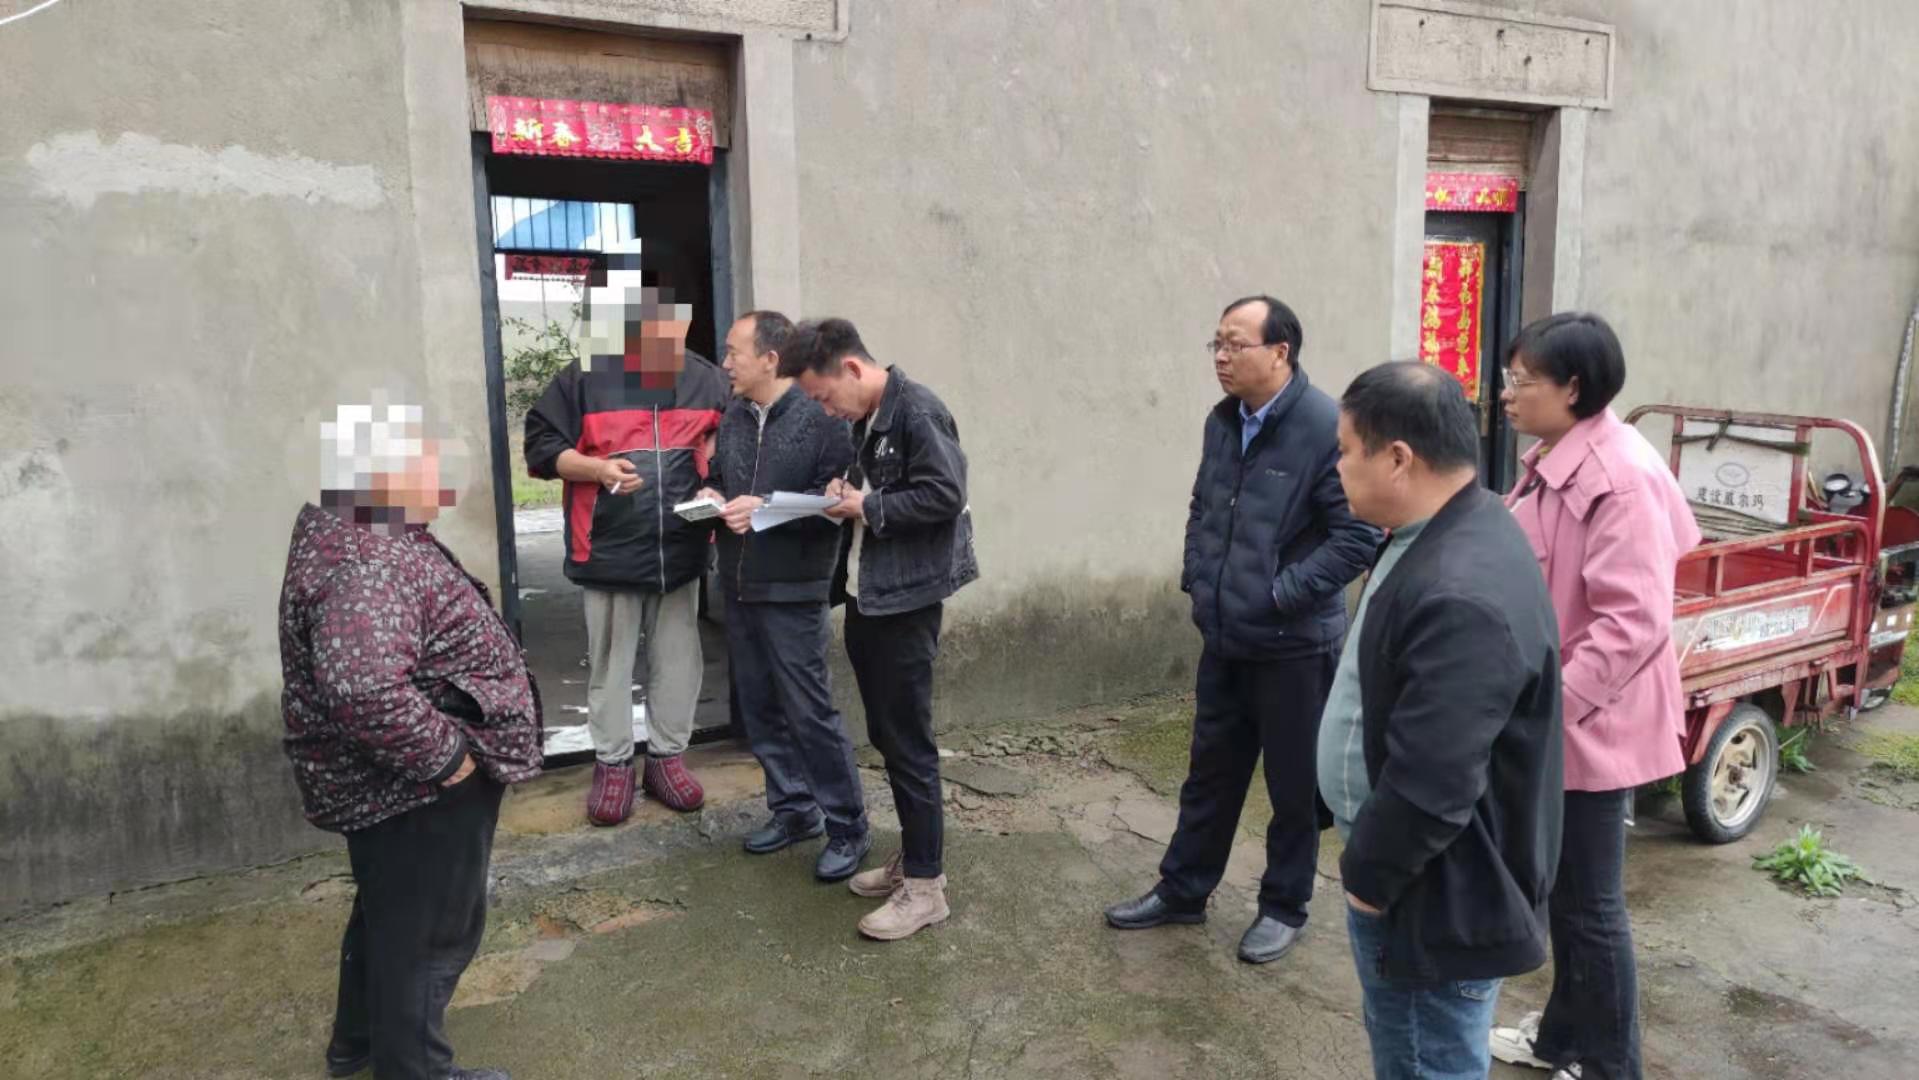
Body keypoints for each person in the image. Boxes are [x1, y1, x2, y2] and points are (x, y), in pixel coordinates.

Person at [1104, 295, 1378, 964]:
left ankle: (1283, 906)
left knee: (1292, 788)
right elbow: (1204, 507)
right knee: (1209, 774)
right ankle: (1183, 890)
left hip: (1294, 646)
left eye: (1235, 344)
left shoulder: (1324, 426)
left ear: (1280, 352)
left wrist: (1280, 594)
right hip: (1225, 637)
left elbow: (1357, 535)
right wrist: (1199, 582)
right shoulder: (1223, 421)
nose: (1221, 357)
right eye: (1216, 344)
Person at [280, 398, 540, 1080]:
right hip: (413, 791)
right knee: (426, 941)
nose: (443, 481)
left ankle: (358, 1045)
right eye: (430, 465)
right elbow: (362, 688)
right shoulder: (367, 559)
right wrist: (450, 760)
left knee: (390, 921)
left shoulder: (363, 529)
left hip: (395, 790)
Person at [1323, 362, 1563, 1080]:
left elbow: (1433, 782)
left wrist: (1368, 880)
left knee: (1426, 1060)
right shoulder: (1447, 527)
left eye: (1345, 450)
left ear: (1398, 458)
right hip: (1423, 880)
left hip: (1430, 894)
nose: (1336, 467)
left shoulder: (1460, 590)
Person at [1487, 314, 1701, 1080]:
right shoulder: (1559, 455)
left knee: (1589, 908)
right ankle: (1559, 1042)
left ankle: (1612, 1068)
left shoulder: (1619, 478)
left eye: (1521, 381)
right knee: (1567, 897)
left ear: (1571, 388)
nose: (1506, 394)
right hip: (1565, 718)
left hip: (1590, 726)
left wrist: (1546, 716)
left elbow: (1632, 624)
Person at [778, 317, 979, 941]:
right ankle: (914, 858)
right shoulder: (869, 418)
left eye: (823, 396)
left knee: (909, 745)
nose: (825, 409)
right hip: (872, 594)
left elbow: (945, 495)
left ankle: (926, 888)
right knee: (888, 738)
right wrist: (850, 492)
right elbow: (889, 490)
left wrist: (865, 505)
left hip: (906, 602)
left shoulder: (917, 410)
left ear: (851, 369)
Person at [524, 240, 727, 826]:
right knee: (611, 665)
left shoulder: (706, 381)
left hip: (681, 549)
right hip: (609, 548)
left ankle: (667, 758)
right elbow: (540, 446)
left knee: (678, 660)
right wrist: (596, 470)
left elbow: (729, 450)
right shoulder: (584, 377)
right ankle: (613, 764)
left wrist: (716, 488)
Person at [693, 310, 871, 881]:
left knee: (809, 712)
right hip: (739, 583)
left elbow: (836, 503)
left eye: (734, 352)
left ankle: (848, 826)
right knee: (760, 708)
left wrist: (765, 507)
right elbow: (723, 476)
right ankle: (794, 810)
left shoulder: (823, 418)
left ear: (771, 359)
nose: (725, 363)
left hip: (795, 589)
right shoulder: (736, 415)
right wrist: (711, 493)